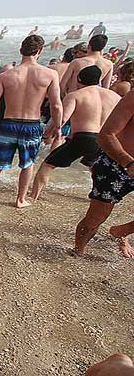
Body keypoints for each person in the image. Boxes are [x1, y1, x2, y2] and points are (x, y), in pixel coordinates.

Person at [0, 35, 62, 208]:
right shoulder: (50, 74)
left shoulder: (5, 76)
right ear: (40, 51)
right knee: (27, 164)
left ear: (20, 50)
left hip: (8, 124)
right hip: (31, 125)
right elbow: (56, 105)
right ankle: (20, 200)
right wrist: (58, 127)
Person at [31, 66, 120, 200]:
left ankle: (34, 196)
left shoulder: (75, 95)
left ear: (79, 80)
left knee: (47, 165)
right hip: (104, 139)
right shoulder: (114, 96)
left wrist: (47, 135)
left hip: (82, 137)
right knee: (94, 168)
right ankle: (97, 197)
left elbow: (62, 120)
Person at [74, 89, 134, 257]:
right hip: (117, 163)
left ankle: (120, 232)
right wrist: (128, 162)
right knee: (95, 218)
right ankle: (78, 252)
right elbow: (105, 135)